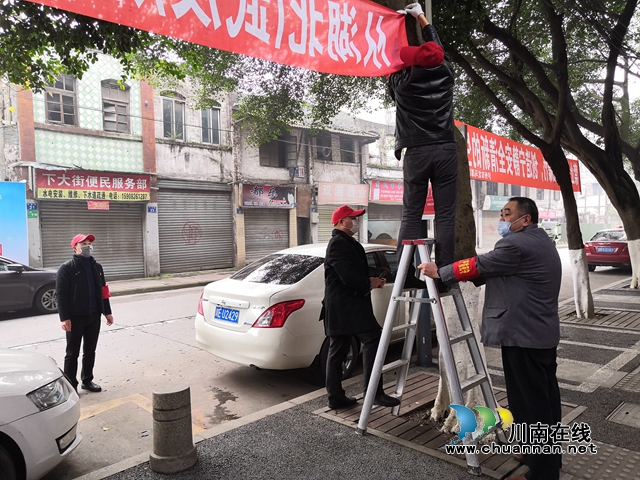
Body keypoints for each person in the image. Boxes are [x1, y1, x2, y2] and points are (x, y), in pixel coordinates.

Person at [418, 197, 562, 480]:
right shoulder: (541, 241)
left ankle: (543, 474)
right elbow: (497, 270)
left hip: (523, 336)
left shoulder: (516, 244)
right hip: (540, 335)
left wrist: (440, 272)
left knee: (530, 405)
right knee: (545, 401)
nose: (502, 219)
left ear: (526, 219)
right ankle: (542, 454)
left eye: (507, 214)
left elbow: (481, 264)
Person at [390, 3, 458, 287]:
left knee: (411, 213)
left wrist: (403, 23)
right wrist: (420, 15)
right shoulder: (447, 74)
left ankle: (403, 274)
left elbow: (392, 61)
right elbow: (435, 48)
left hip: (416, 151)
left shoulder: (401, 83)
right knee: (445, 215)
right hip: (445, 149)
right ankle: (443, 273)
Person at [322, 205, 400, 410]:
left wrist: (373, 277)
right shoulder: (338, 244)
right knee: (372, 338)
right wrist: (369, 283)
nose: (355, 222)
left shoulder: (346, 242)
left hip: (347, 305)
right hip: (346, 306)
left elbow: (354, 269)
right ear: (341, 222)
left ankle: (337, 398)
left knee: (338, 350)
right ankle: (373, 392)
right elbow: (347, 275)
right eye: (352, 219)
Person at [56, 233, 114, 393]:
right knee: (72, 353)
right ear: (75, 248)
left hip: (94, 316)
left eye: (89, 243)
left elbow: (103, 291)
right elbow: (61, 294)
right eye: (83, 244)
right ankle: (70, 386)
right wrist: (64, 318)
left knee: (90, 351)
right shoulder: (67, 268)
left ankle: (87, 380)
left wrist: (107, 312)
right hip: (75, 318)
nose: (87, 246)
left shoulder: (97, 267)